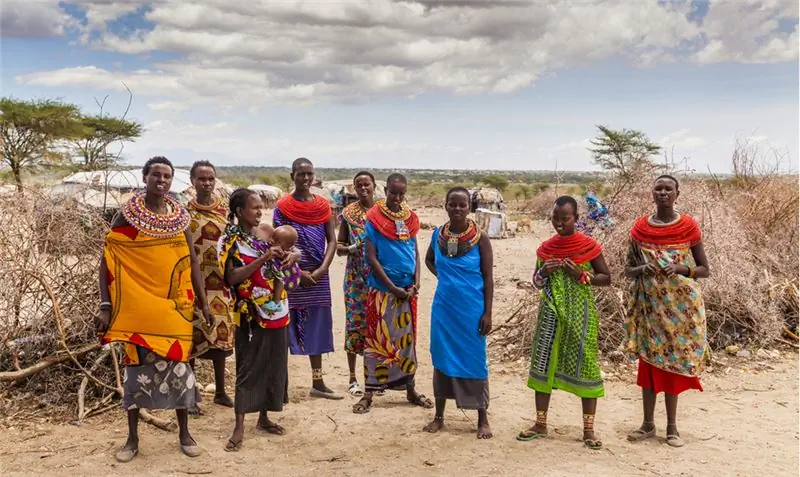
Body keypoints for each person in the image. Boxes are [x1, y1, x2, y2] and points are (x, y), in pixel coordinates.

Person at [96, 156, 214, 463]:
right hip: (138, 310)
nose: (161, 180)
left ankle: (185, 434)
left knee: (180, 368)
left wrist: (203, 303)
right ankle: (132, 439)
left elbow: (192, 264)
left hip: (176, 310)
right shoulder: (127, 216)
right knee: (135, 375)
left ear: (172, 181)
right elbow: (109, 257)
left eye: (167, 176)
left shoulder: (181, 217)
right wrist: (106, 306)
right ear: (145, 177)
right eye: (156, 175)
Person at [516, 195, 611, 450]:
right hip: (549, 315)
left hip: (581, 316)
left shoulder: (588, 246)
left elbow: (606, 278)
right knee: (543, 364)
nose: (559, 223)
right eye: (555, 218)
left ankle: (588, 430)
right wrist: (544, 271)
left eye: (565, 218)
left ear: (576, 219)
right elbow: (535, 282)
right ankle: (540, 423)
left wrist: (581, 274)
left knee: (587, 365)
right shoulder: (546, 249)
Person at [625, 175, 710, 448]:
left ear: (677, 193)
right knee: (648, 365)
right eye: (658, 188)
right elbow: (627, 270)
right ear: (652, 193)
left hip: (680, 310)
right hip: (649, 308)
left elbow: (704, 269)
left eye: (668, 189)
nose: (663, 193)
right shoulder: (639, 229)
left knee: (673, 366)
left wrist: (682, 269)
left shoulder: (688, 227)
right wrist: (642, 269)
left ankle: (672, 428)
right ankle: (647, 424)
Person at [218, 188, 302, 452]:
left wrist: (293, 256)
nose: (259, 211)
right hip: (249, 313)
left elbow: (292, 248)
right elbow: (232, 278)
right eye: (254, 207)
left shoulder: (267, 231)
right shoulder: (229, 241)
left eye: (260, 207)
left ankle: (264, 418)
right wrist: (264, 258)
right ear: (239, 211)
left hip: (278, 311)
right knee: (247, 367)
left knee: (273, 365)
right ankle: (239, 425)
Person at [353, 173, 433, 414]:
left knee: (407, 342)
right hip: (382, 291)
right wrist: (391, 287)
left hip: (408, 292)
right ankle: (368, 393)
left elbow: (416, 253)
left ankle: (410, 388)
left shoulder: (410, 219)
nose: (397, 198)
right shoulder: (374, 219)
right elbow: (371, 257)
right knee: (377, 340)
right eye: (393, 192)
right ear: (385, 189)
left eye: (401, 193)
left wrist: (417, 281)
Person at [423, 187, 494, 439]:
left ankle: (482, 419)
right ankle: (439, 416)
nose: (457, 209)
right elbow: (429, 260)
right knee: (441, 357)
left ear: (469, 207)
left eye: (462, 205)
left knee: (474, 358)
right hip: (444, 309)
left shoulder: (481, 238)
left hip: (471, 310)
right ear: (445, 205)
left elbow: (488, 277)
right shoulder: (436, 235)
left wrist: (488, 313)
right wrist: (444, 277)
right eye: (452, 204)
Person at [273, 158, 342, 400]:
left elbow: (332, 240)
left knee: (318, 326)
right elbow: (277, 242)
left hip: (318, 275)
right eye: (300, 174)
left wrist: (322, 269)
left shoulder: (323, 206)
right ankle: (281, 386)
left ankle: (318, 382)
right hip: (291, 275)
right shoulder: (282, 207)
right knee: (284, 327)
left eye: (309, 174)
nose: (305, 178)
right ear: (292, 176)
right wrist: (298, 274)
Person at [185, 160, 234, 415]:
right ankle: (191, 394)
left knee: (221, 340)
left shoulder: (225, 212)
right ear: (192, 181)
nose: (206, 183)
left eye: (210, 178)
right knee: (192, 340)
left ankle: (221, 392)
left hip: (221, 284)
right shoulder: (183, 213)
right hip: (192, 284)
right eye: (201, 178)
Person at [336, 171, 376, 397]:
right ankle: (352, 378)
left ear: (373, 186)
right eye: (359, 185)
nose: (363, 188)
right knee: (354, 325)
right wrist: (352, 248)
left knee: (376, 326)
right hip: (355, 281)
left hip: (379, 278)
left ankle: (374, 377)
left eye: (367, 184)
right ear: (354, 188)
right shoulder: (348, 214)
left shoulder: (382, 212)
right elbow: (339, 247)